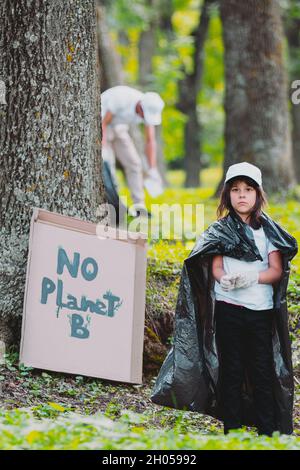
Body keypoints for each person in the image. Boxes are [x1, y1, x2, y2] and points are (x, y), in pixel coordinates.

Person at [151, 162, 298, 436]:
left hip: (260, 312)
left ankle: (268, 432)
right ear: (227, 195)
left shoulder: (268, 233)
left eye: (248, 189)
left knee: (262, 370)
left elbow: (276, 271)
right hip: (229, 310)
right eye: (235, 189)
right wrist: (225, 280)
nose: (242, 195)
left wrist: (252, 278)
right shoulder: (220, 231)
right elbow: (215, 268)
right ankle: (233, 431)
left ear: (258, 194)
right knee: (231, 369)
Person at [101, 85, 165, 218]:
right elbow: (103, 123)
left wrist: (152, 169)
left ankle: (139, 206)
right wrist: (103, 149)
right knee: (109, 166)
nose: (144, 118)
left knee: (135, 163)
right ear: (141, 107)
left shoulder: (149, 108)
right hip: (102, 124)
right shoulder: (122, 99)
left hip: (119, 127)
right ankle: (115, 205)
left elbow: (150, 141)